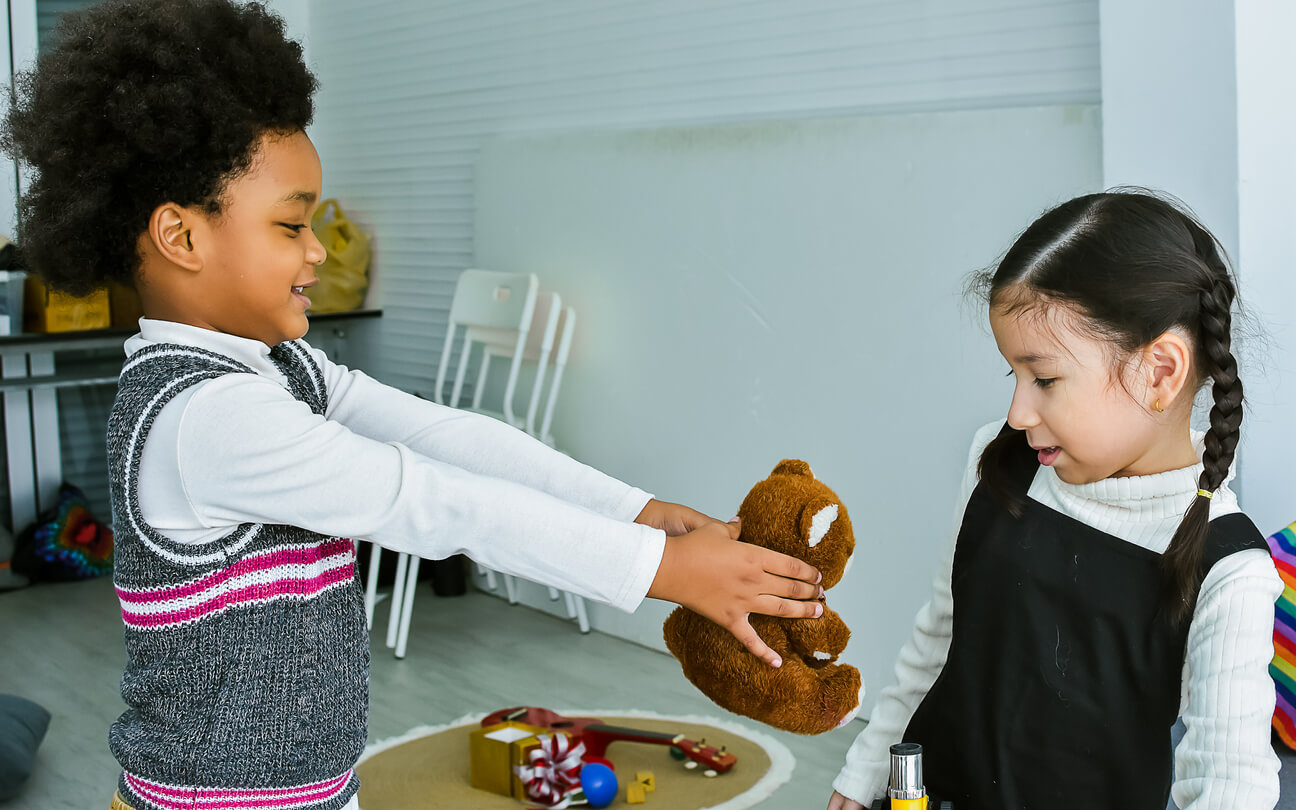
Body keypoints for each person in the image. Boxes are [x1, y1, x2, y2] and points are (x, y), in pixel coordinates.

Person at [2, 3, 824, 809]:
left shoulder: (279, 371)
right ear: (182, 237)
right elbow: (429, 501)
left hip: (314, 792)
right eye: (291, 227)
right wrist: (660, 570)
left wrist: (637, 512)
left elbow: (447, 438)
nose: (319, 249)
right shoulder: (206, 419)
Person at [828, 190, 1281, 810]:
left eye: (1044, 379)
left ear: (1160, 372)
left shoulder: (1229, 567)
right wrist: (864, 772)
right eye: (1012, 376)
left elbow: (1231, 787)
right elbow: (938, 637)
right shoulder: (1000, 457)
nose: (1018, 411)